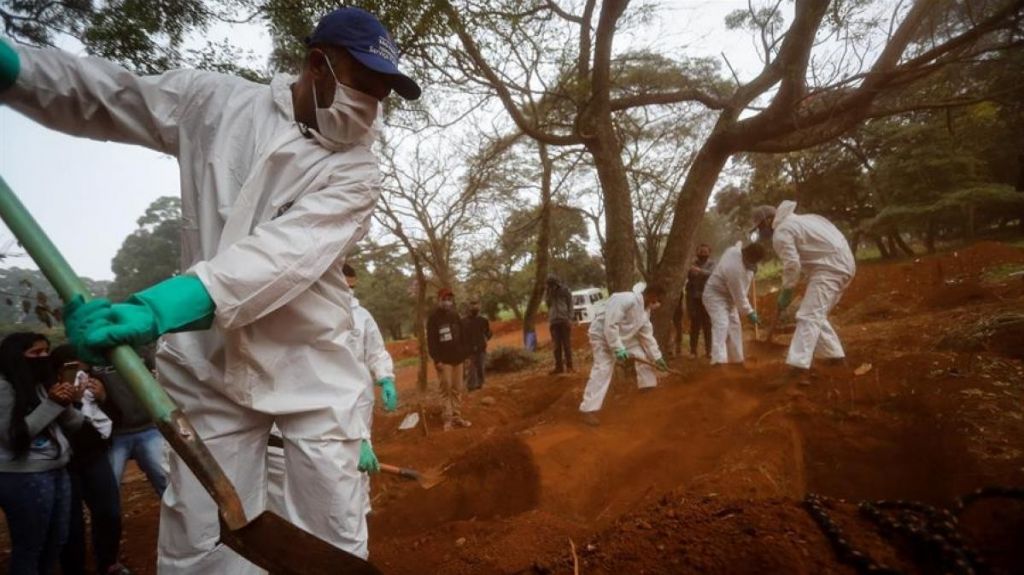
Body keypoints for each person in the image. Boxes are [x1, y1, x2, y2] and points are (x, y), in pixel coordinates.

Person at [2, 6, 419, 569]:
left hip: (310, 367)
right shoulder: (217, 103)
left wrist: (161, 306)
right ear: (318, 65)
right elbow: (112, 95)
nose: (370, 107)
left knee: (331, 533)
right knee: (199, 540)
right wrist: (16, 72)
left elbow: (280, 257)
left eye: (381, 95)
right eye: (363, 85)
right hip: (209, 367)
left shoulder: (358, 170)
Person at [267, 264, 397, 520]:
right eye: (344, 286)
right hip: (324, 407)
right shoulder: (311, 316)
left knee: (362, 460)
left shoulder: (362, 316)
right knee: (333, 468)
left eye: (352, 288)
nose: (349, 292)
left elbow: (376, 351)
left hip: (359, 403)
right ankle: (335, 520)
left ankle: (361, 512)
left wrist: (385, 378)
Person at [0, 332, 82, 575]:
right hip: (22, 476)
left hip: (57, 468)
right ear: (16, 356)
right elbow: (14, 438)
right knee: (30, 546)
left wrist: (67, 402)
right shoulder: (3, 388)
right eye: (35, 352)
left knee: (56, 542)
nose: (44, 357)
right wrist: (53, 404)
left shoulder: (41, 384)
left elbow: (75, 424)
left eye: (46, 350)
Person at [49, 345, 131, 575]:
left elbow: (116, 419)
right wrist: (71, 402)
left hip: (95, 457)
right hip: (65, 464)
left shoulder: (94, 386)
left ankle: (108, 563)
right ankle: (73, 568)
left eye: (83, 365)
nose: (82, 371)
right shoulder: (50, 391)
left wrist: (103, 398)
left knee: (109, 512)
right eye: (73, 366)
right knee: (71, 522)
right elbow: (66, 427)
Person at [753, 201, 857, 379]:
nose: (761, 232)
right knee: (815, 314)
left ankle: (798, 367)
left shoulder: (782, 231)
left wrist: (786, 291)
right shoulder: (807, 219)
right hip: (844, 265)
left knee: (808, 315)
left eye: (760, 227)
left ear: (768, 220)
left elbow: (793, 265)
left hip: (829, 269)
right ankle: (835, 356)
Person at [578, 283, 669, 426]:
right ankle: (588, 410)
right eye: (658, 299)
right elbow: (610, 325)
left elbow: (647, 337)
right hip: (602, 336)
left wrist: (657, 358)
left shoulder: (645, 313)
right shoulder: (625, 299)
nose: (659, 303)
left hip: (623, 338)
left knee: (642, 355)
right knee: (603, 369)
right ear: (651, 294)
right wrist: (617, 348)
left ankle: (648, 389)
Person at [95, 363, 169, 496]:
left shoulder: (141, 349)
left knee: (164, 477)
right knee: (109, 486)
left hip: (148, 426)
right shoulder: (90, 356)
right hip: (112, 434)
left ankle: (179, 515)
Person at [701, 243, 765, 366]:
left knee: (735, 326)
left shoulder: (733, 250)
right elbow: (740, 297)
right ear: (746, 256)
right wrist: (750, 312)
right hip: (715, 295)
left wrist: (739, 243)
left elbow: (738, 244)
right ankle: (718, 361)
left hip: (729, 297)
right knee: (722, 324)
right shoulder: (734, 270)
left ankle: (737, 360)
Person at [427, 288, 471, 430]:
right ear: (439, 299)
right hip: (443, 360)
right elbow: (431, 341)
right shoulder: (433, 318)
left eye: (449, 299)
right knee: (446, 388)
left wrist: (466, 355)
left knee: (457, 389)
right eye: (445, 299)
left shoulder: (454, 315)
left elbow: (463, 335)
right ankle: (447, 419)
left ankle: (457, 417)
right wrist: (436, 359)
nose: (447, 302)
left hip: (458, 359)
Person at [685, 243, 715, 359]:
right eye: (701, 252)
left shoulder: (712, 264)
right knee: (695, 326)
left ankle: (709, 351)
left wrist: (700, 271)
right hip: (694, 299)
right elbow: (688, 277)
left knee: (708, 326)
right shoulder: (692, 264)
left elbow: (712, 274)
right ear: (697, 253)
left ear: (709, 253)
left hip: (708, 299)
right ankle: (693, 351)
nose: (703, 254)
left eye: (705, 252)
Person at [545, 275, 575, 374]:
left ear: (556, 284)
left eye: (552, 285)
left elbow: (570, 304)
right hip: (554, 322)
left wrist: (570, 318)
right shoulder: (548, 292)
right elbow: (548, 304)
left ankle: (569, 367)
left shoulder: (565, 290)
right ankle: (559, 368)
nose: (551, 287)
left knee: (567, 345)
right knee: (556, 347)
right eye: (549, 285)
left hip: (564, 320)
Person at [462, 298, 491, 391]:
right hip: (468, 349)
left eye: (476, 304)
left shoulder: (483, 320)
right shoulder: (463, 321)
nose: (474, 307)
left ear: (480, 306)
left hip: (481, 348)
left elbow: (488, 333)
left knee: (480, 367)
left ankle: (480, 384)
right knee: (471, 368)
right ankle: (471, 387)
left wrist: (485, 340)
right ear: (468, 307)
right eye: (472, 304)